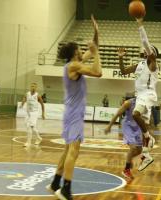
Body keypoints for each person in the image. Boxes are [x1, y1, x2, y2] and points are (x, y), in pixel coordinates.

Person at [47, 15, 102, 200]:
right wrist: (96, 54)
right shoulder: (74, 66)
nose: (82, 51)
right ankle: (65, 190)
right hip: (74, 114)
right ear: (74, 53)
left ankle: (55, 182)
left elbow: (93, 47)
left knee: (67, 150)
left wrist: (96, 32)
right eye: (79, 50)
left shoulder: (73, 64)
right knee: (74, 151)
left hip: (71, 113)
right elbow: (98, 72)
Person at [118, 17, 158, 171]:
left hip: (148, 94)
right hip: (140, 96)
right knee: (144, 129)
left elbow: (146, 43)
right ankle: (146, 156)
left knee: (135, 115)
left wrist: (140, 24)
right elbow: (123, 71)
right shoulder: (139, 65)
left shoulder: (153, 64)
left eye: (150, 50)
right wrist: (121, 59)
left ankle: (150, 138)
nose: (147, 51)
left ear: (153, 54)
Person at [104, 93, 142, 182]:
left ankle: (129, 158)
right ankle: (126, 170)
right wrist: (109, 126)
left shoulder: (145, 104)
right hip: (128, 124)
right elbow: (117, 114)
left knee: (139, 150)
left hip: (137, 126)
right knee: (133, 147)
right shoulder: (128, 103)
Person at [20, 83, 45, 147]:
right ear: (30, 87)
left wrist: (43, 113)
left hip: (34, 112)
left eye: (34, 86)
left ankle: (28, 142)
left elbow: (42, 104)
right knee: (32, 127)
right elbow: (24, 98)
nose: (32, 87)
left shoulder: (38, 95)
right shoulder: (27, 93)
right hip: (28, 112)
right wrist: (22, 104)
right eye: (31, 86)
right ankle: (39, 138)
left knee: (29, 127)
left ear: (36, 88)